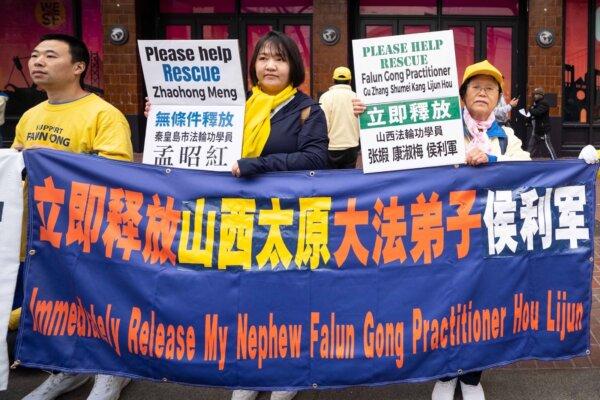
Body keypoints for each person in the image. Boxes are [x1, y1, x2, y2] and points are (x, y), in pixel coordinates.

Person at [145, 30, 328, 400]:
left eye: (279, 58)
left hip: (285, 221)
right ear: (253, 66)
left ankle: (285, 375)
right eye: (263, 58)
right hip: (234, 218)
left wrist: (256, 165)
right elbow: (197, 148)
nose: (270, 65)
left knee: (284, 296)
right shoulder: (234, 105)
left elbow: (315, 160)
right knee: (242, 297)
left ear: (294, 65)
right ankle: (250, 371)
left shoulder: (308, 109)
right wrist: (165, 118)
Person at [12, 33, 133, 400]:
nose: (37, 62)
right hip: (37, 232)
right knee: (57, 305)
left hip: (87, 231)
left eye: (50, 55)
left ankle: (111, 372)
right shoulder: (30, 116)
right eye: (34, 55)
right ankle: (67, 370)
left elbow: (116, 173)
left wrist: (49, 160)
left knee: (99, 301)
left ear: (78, 67)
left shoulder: (103, 114)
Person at [431, 60, 530, 400]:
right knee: (445, 304)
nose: (483, 92)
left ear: (500, 98)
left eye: (491, 88)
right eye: (476, 87)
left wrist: (494, 161)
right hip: (446, 236)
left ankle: (471, 377)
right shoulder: (439, 130)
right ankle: (445, 375)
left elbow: (528, 171)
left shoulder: (507, 138)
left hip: (489, 240)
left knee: (482, 306)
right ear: (462, 96)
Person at [318, 66, 360, 168]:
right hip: (352, 146)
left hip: (331, 147)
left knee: (331, 179)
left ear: (333, 80)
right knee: (349, 179)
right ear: (350, 80)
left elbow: (322, 123)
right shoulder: (357, 97)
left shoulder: (325, 97)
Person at [526, 87, 557, 159]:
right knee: (531, 146)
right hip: (536, 130)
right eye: (535, 94)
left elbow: (537, 112)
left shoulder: (544, 103)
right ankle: (526, 159)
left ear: (541, 95)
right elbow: (532, 114)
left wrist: (530, 109)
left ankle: (554, 159)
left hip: (543, 130)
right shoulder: (535, 104)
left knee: (548, 145)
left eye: (536, 94)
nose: (535, 96)